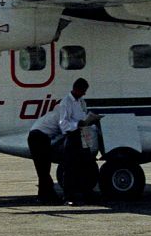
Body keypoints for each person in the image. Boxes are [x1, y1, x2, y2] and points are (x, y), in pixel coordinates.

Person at [27, 77, 100, 205]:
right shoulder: (65, 103)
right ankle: (46, 196)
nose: (84, 93)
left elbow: (79, 119)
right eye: (83, 90)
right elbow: (64, 125)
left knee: (45, 168)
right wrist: (79, 124)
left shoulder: (80, 102)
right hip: (38, 136)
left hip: (47, 136)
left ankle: (46, 196)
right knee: (43, 169)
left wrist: (87, 122)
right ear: (77, 89)